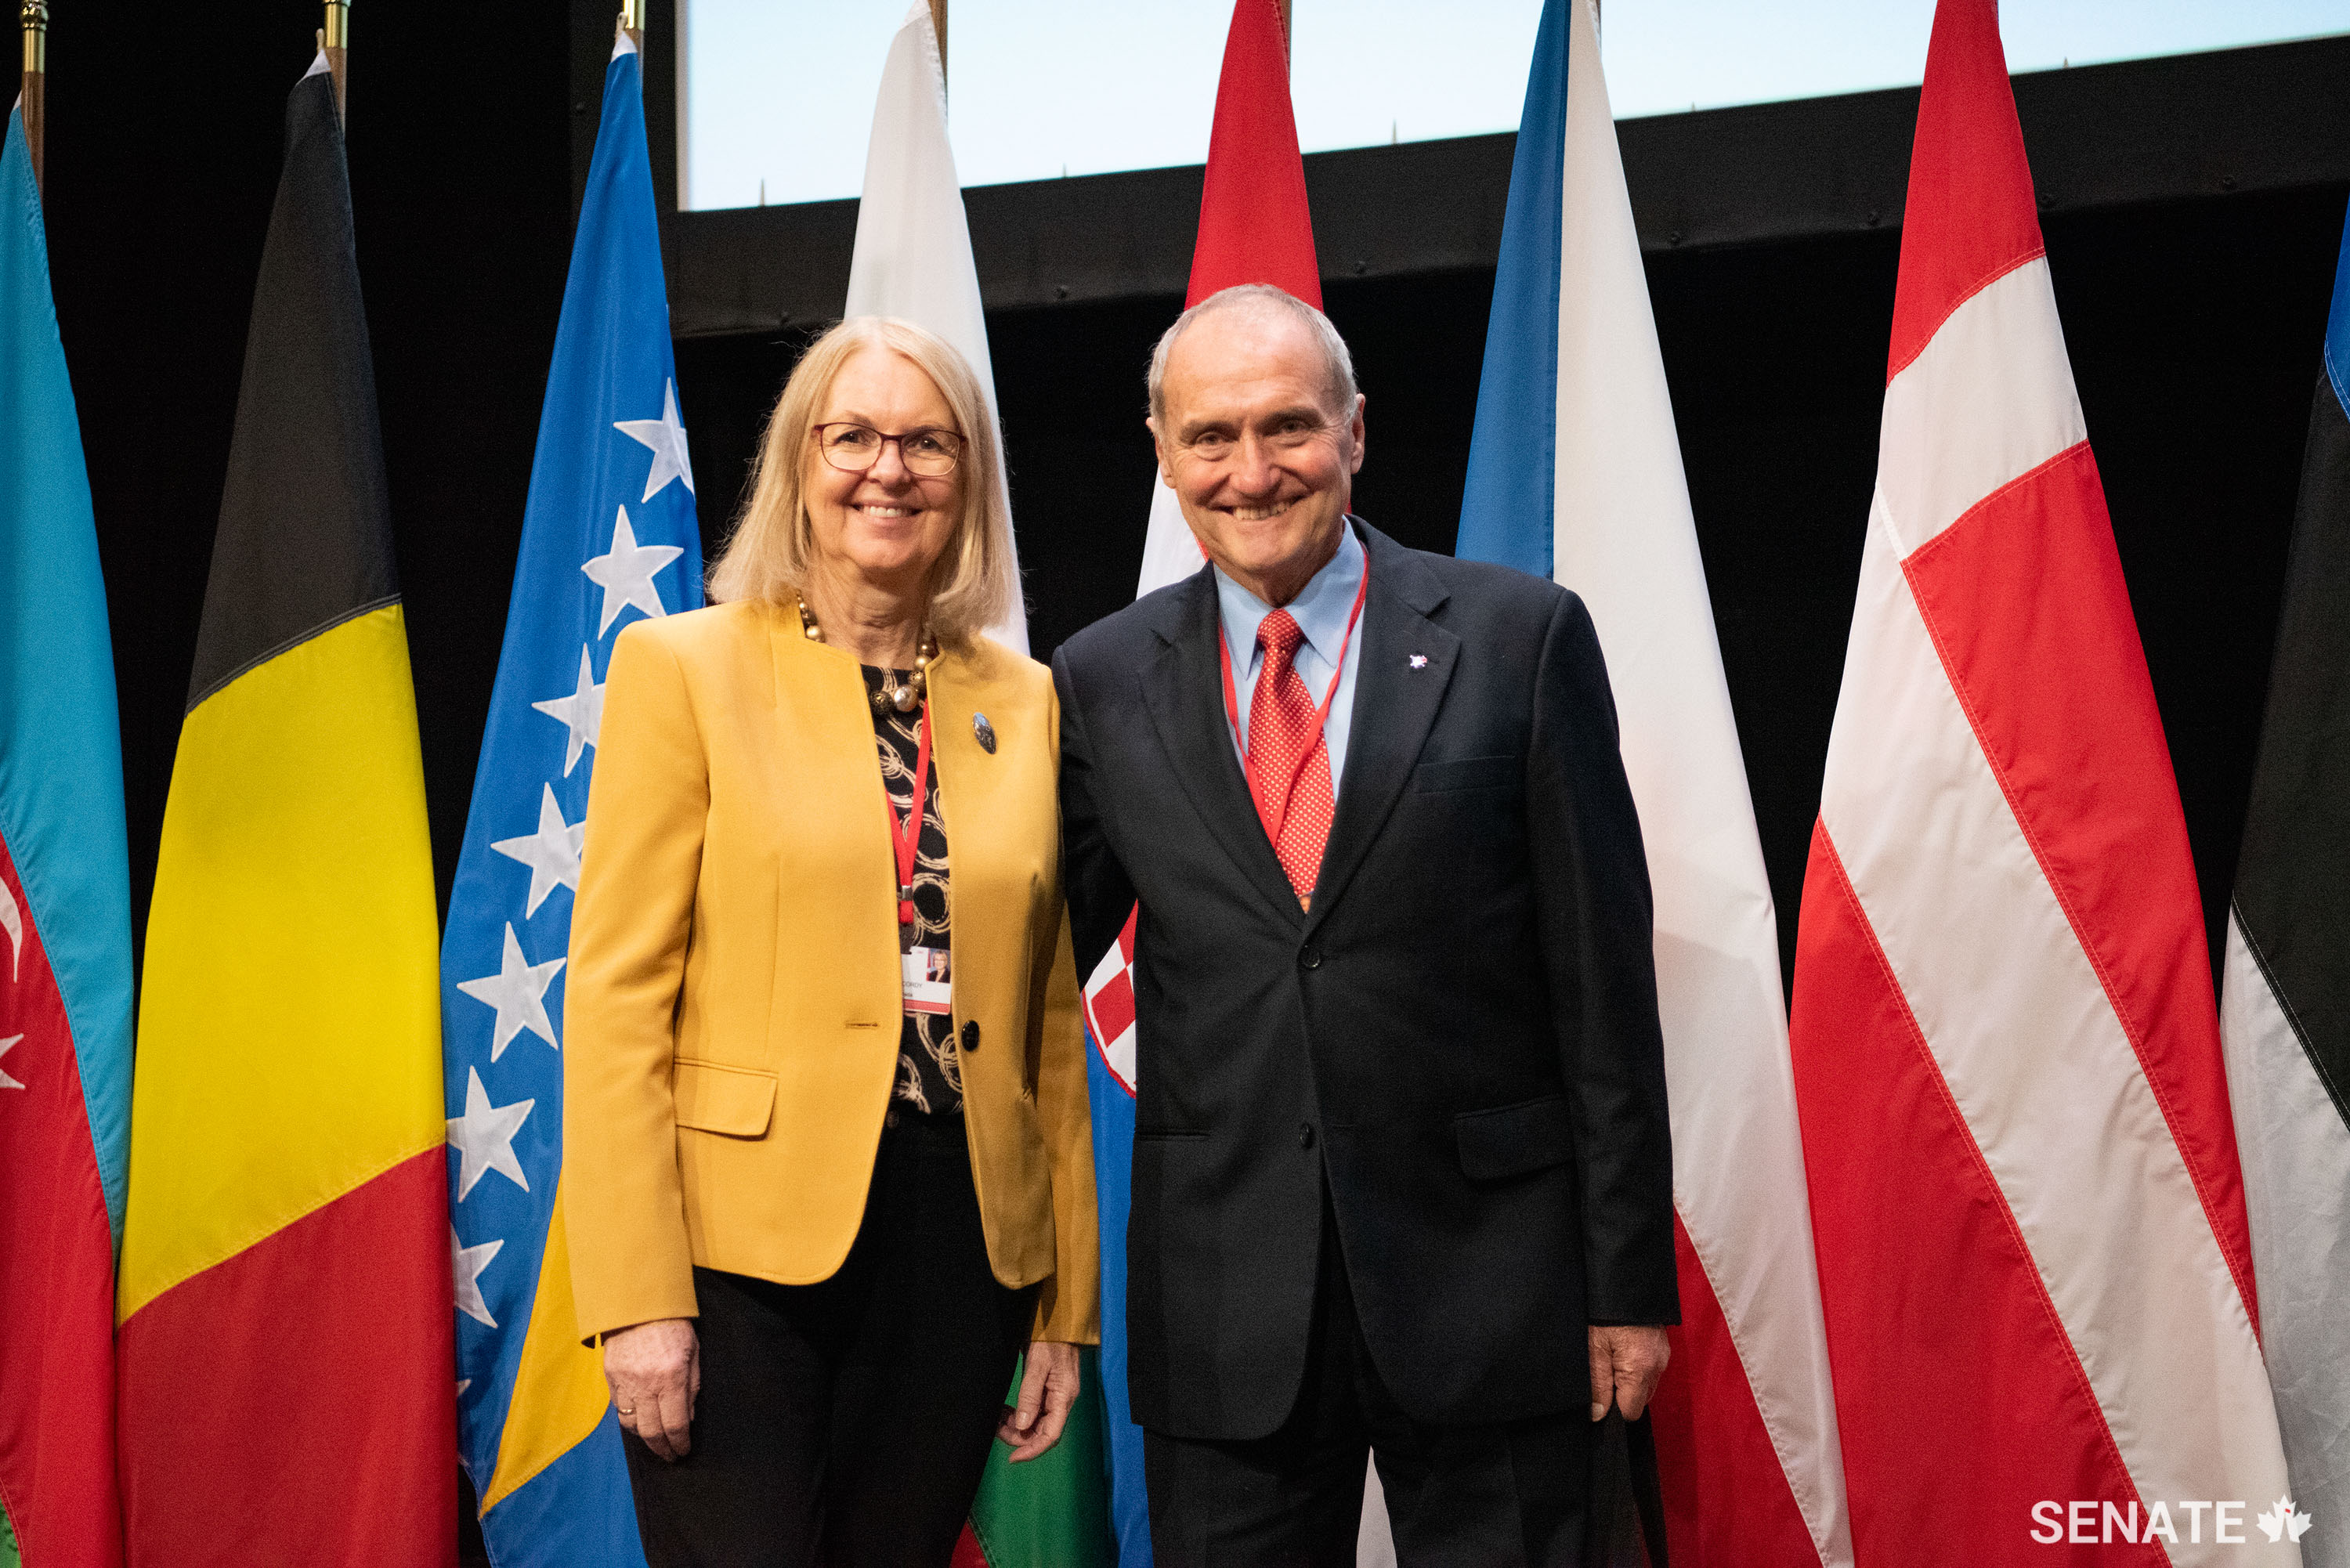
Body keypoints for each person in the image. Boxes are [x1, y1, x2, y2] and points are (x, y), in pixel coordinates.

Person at [1053, 284, 1678, 1566]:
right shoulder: (1098, 679)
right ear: (1163, 453)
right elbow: (1031, 964)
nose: (1251, 470)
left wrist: (1626, 1283)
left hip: (1494, 1288)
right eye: (1210, 436)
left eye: (1287, 426)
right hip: (1224, 1297)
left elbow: (1603, 992)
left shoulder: (1518, 639)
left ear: (1355, 433)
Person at [565, 315, 1097, 1568]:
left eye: (926, 441)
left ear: (969, 480)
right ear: (799, 465)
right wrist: (640, 1296)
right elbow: (615, 1001)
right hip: (737, 1253)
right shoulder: (681, 668)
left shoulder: (1024, 701)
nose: (888, 468)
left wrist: (1065, 1302)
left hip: (960, 1244)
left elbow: (1050, 1021)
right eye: (852, 435)